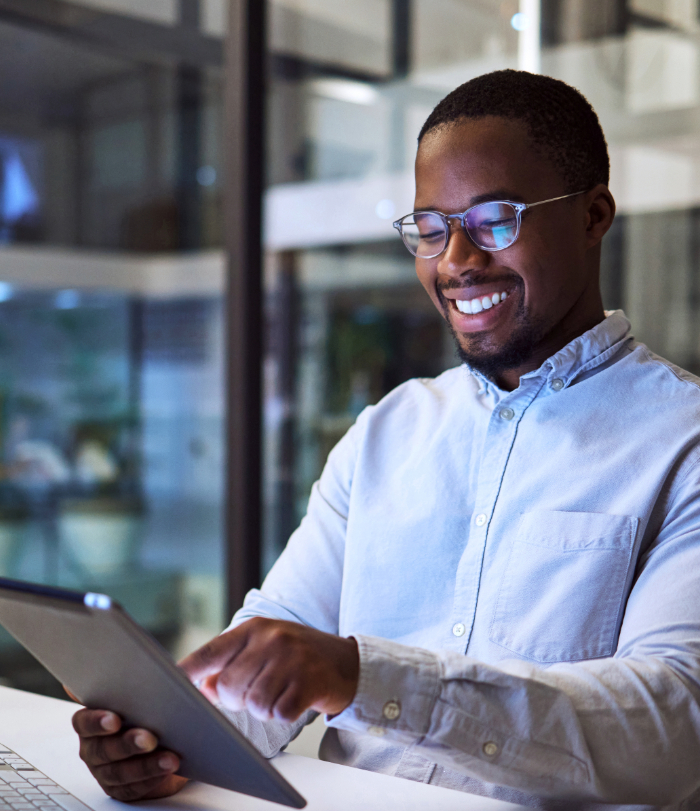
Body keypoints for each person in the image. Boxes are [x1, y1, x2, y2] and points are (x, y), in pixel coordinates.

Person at [72, 70, 700, 809]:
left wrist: (365, 677)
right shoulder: (386, 433)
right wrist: (164, 738)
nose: (456, 260)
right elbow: (273, 657)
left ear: (594, 215)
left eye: (495, 219)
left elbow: (673, 722)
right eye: (430, 228)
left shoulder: (681, 439)